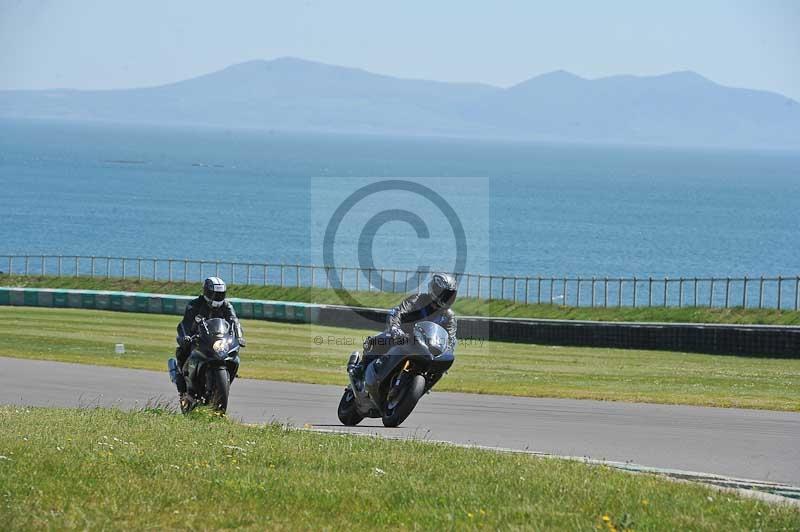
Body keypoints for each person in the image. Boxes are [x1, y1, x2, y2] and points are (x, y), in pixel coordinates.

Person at [351, 272, 458, 376]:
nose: (447, 298)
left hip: (426, 349)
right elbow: (398, 313)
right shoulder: (417, 300)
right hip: (403, 338)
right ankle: (361, 368)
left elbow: (450, 339)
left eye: (450, 295)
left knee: (438, 370)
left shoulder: (449, 316)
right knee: (379, 340)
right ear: (436, 290)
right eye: (445, 294)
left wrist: (445, 354)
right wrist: (395, 328)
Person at [173, 276, 246, 403]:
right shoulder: (194, 305)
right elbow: (186, 323)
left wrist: (239, 337)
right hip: (198, 338)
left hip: (218, 340)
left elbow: (234, 321)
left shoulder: (227, 306)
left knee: (235, 357)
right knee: (182, 351)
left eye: (220, 294)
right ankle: (182, 387)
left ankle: (223, 384)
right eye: (214, 294)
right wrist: (186, 336)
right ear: (206, 292)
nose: (217, 297)